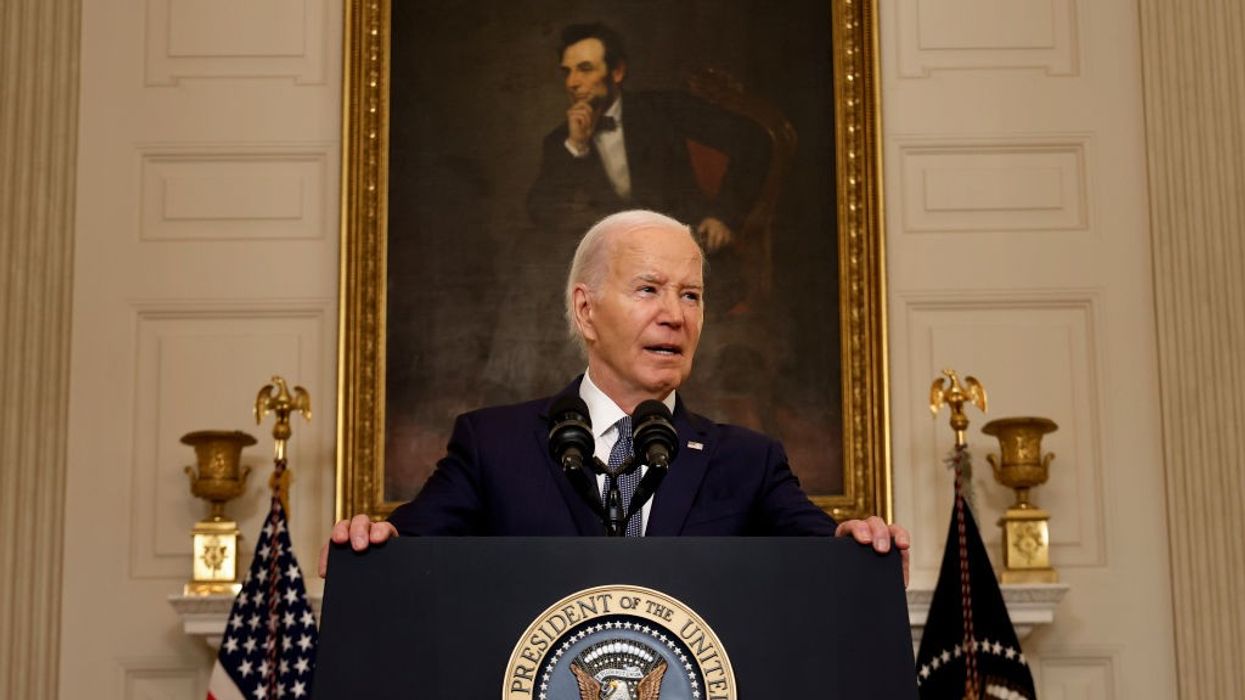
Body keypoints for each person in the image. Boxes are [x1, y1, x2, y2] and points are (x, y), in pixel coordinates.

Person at [321, 210, 909, 582]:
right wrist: (376, 546)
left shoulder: (748, 462)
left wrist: (855, 548)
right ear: (586, 311)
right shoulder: (492, 445)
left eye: (691, 295)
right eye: (649, 289)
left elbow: (822, 553)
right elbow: (410, 550)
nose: (675, 315)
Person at [526, 23, 767, 256]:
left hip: (687, 253)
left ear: (617, 72)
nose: (572, 82)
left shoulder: (666, 109)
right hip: (612, 265)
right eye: (567, 72)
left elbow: (753, 140)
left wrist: (723, 216)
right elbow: (540, 211)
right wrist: (576, 147)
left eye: (585, 69)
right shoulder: (561, 141)